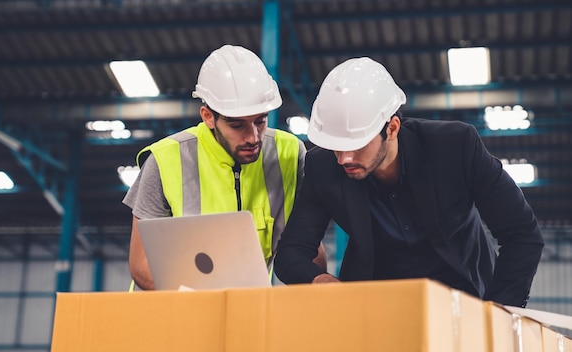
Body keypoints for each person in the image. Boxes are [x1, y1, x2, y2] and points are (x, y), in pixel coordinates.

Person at [274, 57, 544, 307]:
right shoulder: (322, 167)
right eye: (336, 146)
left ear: (391, 128)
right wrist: (320, 280)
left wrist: (499, 311)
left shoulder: (455, 147)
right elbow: (291, 253)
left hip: (466, 295)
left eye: (356, 145)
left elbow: (521, 233)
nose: (344, 158)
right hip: (380, 305)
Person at [123, 44, 326, 290]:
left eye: (260, 121)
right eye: (237, 125)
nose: (253, 137)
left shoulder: (290, 154)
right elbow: (141, 265)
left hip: (247, 312)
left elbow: (309, 249)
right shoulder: (164, 160)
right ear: (208, 116)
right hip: (171, 315)